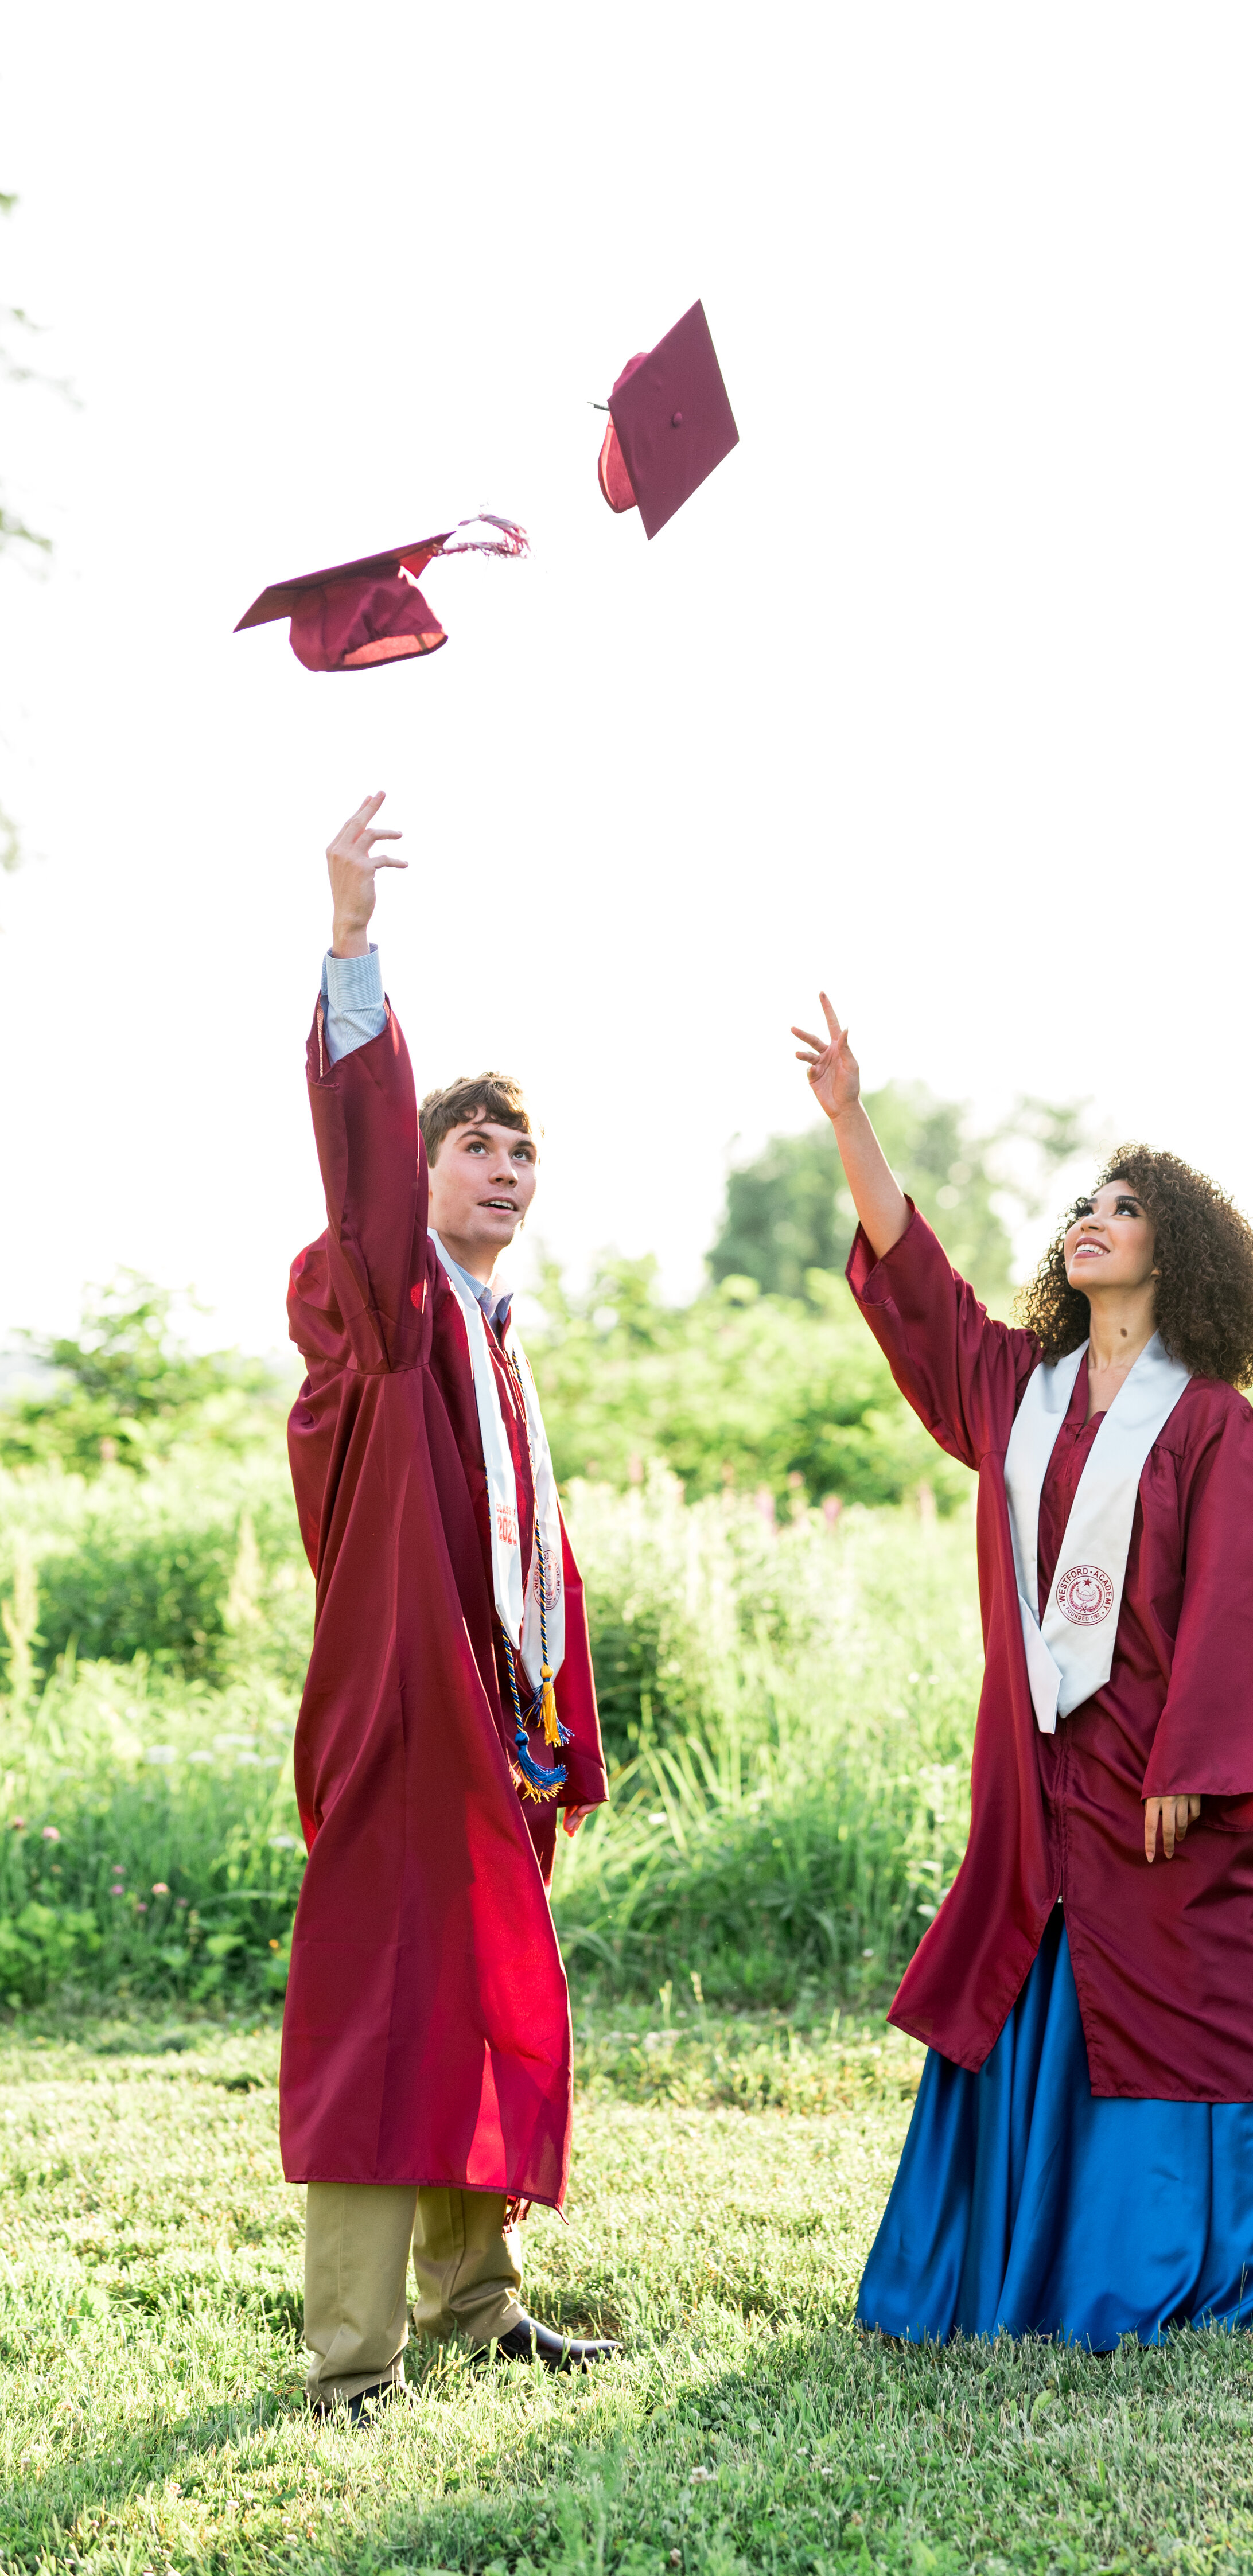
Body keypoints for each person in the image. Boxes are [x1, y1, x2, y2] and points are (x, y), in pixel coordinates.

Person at [793, 993, 1253, 2348]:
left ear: (1177, 1253)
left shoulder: (1212, 1426)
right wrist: (851, 1118)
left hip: (1155, 1772)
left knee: (1178, 1989)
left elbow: (1241, 1609)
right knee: (1026, 1974)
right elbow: (911, 1281)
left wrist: (1198, 1768)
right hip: (1034, 1765)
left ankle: (1168, 2264)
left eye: (1122, 1208)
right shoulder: (1013, 1390)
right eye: (1080, 1205)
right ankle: (1008, 2272)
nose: (1086, 1219)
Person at [282, 793, 613, 2418]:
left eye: (522, 1145)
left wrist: (563, 1726)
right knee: (380, 2015)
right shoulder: (394, 1316)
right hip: (407, 1722)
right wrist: (355, 952)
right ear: (418, 1172)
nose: (505, 1164)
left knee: (479, 1996)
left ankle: (479, 2303)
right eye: (474, 1141)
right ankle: (354, 2361)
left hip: (496, 1731)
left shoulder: (501, 1349)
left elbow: (533, 1560)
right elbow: (358, 1166)